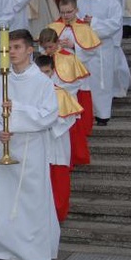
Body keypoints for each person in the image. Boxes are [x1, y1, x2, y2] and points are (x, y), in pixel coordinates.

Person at [0, 29, 59, 260]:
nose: (11, 53)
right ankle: (4, 253)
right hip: (5, 149)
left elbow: (48, 115)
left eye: (16, 47)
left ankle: (31, 256)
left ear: (29, 50)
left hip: (30, 149)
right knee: (3, 203)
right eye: (8, 49)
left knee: (30, 203)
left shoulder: (42, 83)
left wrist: (17, 111)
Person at [34, 54, 83, 223]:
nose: (44, 76)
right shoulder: (30, 95)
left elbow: (70, 118)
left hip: (57, 143)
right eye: (40, 73)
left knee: (59, 182)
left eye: (47, 72)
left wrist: (48, 125)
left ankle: (58, 214)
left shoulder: (62, 94)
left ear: (53, 72)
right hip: (37, 145)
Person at [38, 27, 92, 166]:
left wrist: (57, 88)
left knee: (68, 134)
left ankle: (71, 160)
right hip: (47, 101)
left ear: (57, 42)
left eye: (50, 46)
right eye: (44, 47)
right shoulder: (40, 60)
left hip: (65, 100)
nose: (48, 50)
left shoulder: (69, 57)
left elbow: (77, 82)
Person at [76, 0, 124, 126]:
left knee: (101, 82)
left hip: (103, 49)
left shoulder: (112, 3)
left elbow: (115, 24)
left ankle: (103, 115)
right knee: (85, 83)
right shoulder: (80, 3)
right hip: (83, 49)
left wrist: (93, 23)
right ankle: (86, 114)